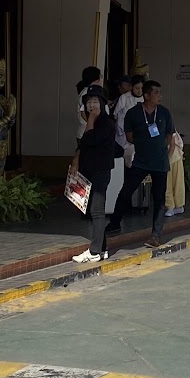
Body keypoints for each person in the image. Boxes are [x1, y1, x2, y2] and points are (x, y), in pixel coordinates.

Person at [106, 79, 174, 245]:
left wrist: (167, 155)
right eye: (156, 93)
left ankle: (156, 235)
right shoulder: (133, 113)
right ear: (146, 95)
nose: (160, 96)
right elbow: (129, 136)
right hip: (141, 160)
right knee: (126, 191)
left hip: (160, 162)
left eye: (160, 92)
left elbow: (169, 136)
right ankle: (115, 222)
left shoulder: (164, 113)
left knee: (158, 199)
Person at [71, 86, 121, 265]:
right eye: (88, 102)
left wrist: (91, 119)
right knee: (94, 211)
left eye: (95, 101)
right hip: (90, 171)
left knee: (97, 212)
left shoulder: (106, 123)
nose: (91, 105)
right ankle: (103, 249)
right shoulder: (94, 123)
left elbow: (89, 140)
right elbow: (83, 145)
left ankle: (94, 251)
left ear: (102, 104)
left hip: (100, 171)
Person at [75, 65, 102, 139]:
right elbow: (83, 112)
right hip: (87, 132)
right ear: (96, 79)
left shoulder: (85, 91)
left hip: (86, 131)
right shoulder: (88, 93)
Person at [166, 127, 186, 217]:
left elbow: (172, 144)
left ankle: (178, 206)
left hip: (174, 156)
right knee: (167, 183)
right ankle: (170, 206)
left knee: (177, 183)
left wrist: (167, 160)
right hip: (166, 157)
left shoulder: (167, 125)